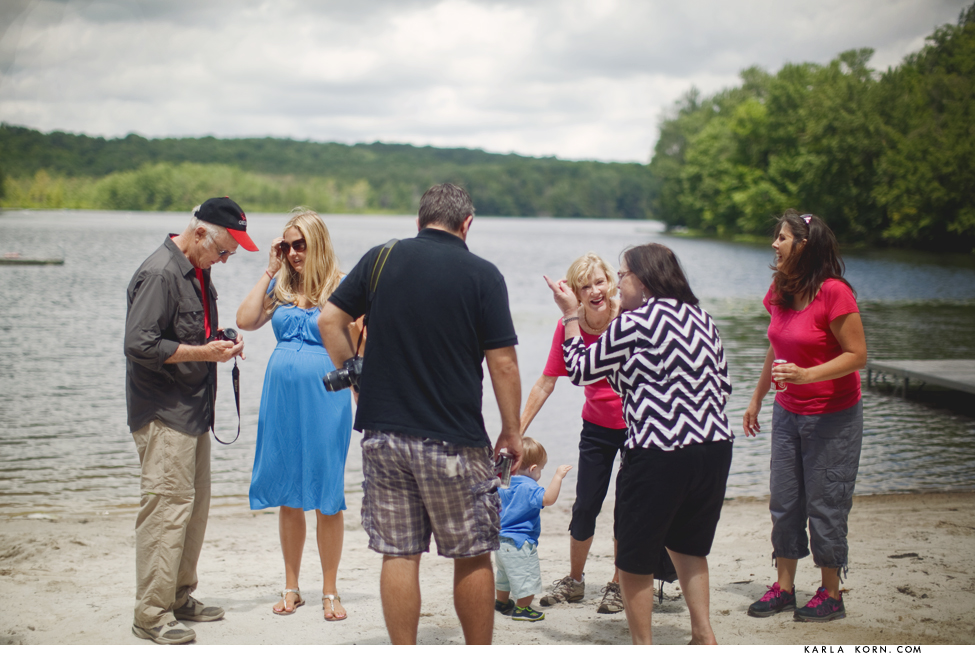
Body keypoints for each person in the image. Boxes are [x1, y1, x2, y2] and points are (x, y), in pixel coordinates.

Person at [317, 183, 523, 645]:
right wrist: (511, 431)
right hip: (454, 438)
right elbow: (504, 363)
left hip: (384, 435)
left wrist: (355, 376)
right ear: (466, 224)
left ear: (419, 220)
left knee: (399, 553)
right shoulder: (483, 275)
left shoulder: (381, 259)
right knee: (471, 555)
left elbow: (328, 320)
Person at [546, 243, 734, 645]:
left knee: (633, 558)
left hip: (659, 450)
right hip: (715, 447)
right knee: (688, 546)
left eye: (623, 274)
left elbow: (580, 370)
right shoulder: (703, 318)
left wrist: (570, 316)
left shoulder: (634, 322)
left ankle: (643, 646)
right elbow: (723, 385)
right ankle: (703, 635)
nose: (618, 284)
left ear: (645, 281)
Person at [124, 197, 257, 644]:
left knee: (192, 510)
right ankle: (151, 614)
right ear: (200, 233)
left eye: (231, 254)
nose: (225, 258)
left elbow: (188, 333)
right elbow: (140, 345)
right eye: (223, 250)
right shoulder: (161, 272)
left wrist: (220, 340)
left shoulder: (198, 270)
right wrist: (205, 353)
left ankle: (179, 597)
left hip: (192, 411)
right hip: (164, 414)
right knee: (166, 512)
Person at [742, 210, 867, 623]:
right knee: (785, 502)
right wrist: (757, 398)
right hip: (788, 413)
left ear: (804, 244)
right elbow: (776, 347)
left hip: (834, 418)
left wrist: (806, 374)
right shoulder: (780, 290)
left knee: (825, 504)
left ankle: (831, 593)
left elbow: (857, 357)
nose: (774, 245)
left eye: (782, 238)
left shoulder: (835, 293)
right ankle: (784, 587)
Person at [235, 209, 355, 621]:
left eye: (299, 244)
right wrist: (269, 269)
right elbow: (245, 319)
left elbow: (359, 347)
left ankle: (330, 591)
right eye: (286, 245)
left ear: (318, 243)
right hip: (281, 397)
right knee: (288, 491)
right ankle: (291, 587)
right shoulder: (281, 285)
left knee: (326, 495)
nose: (292, 253)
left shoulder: (342, 286)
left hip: (327, 397)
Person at [520, 252, 626, 614]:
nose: (596, 290)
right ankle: (576, 581)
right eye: (586, 286)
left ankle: (618, 585)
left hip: (638, 428)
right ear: (576, 294)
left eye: (600, 281)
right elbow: (546, 382)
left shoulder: (628, 317)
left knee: (628, 509)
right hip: (596, 426)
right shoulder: (570, 325)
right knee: (585, 507)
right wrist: (514, 433)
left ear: (610, 281)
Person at [494, 437, 572, 623]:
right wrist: (558, 477)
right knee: (526, 577)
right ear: (532, 469)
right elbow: (548, 499)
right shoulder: (529, 487)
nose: (540, 475)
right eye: (540, 470)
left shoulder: (503, 483)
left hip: (500, 541)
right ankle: (522, 608)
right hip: (521, 544)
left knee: (504, 575)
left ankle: (502, 603)